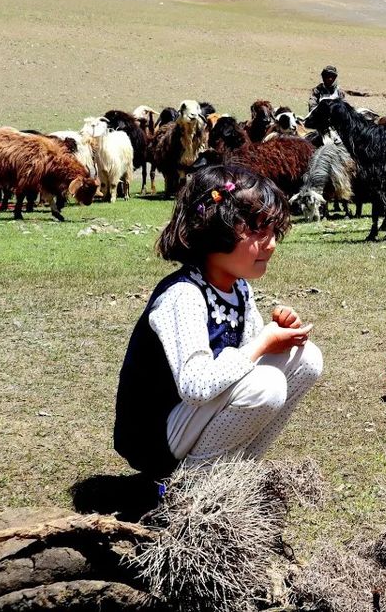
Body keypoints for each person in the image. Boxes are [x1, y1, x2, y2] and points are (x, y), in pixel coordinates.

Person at [114, 165, 323, 478]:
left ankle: (236, 476)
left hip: (194, 421)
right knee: (266, 386)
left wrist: (276, 336)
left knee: (307, 359)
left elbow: (245, 361)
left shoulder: (238, 288)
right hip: (159, 435)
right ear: (215, 229)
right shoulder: (183, 295)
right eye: (257, 231)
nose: (271, 244)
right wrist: (263, 343)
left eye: (273, 232)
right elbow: (196, 387)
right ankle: (192, 485)